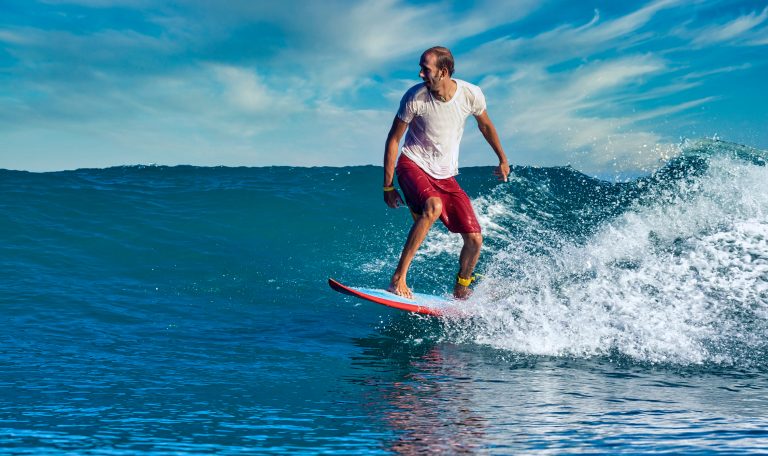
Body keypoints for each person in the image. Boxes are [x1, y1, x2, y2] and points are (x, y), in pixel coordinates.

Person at [383, 46, 509, 299]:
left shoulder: (470, 94)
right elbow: (394, 140)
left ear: (443, 71)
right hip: (413, 163)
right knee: (433, 206)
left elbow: (485, 125)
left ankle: (461, 288)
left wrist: (502, 159)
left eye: (425, 69)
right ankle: (398, 278)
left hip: (445, 173)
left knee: (474, 239)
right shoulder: (414, 97)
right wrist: (388, 186)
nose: (420, 74)